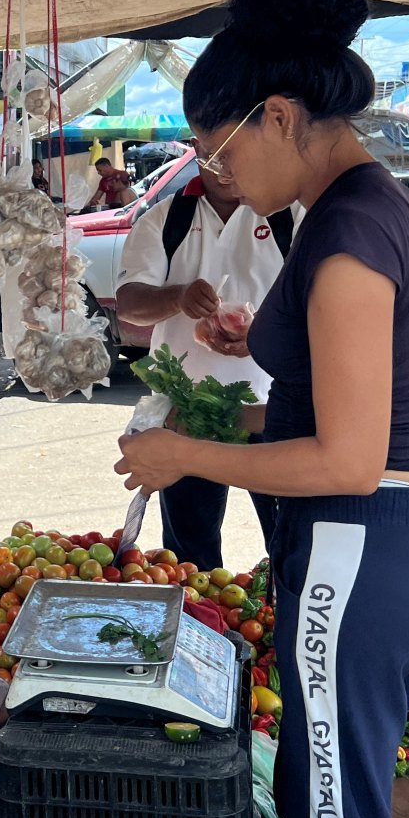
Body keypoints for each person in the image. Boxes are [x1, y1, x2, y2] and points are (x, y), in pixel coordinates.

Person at [113, 0, 409, 818]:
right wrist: (228, 416)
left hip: (366, 544)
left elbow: (352, 457)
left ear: (277, 115)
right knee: (328, 805)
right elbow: (340, 411)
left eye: (217, 152)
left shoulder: (350, 232)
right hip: (390, 539)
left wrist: (184, 453)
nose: (214, 175)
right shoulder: (359, 210)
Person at [116, 156, 297, 568]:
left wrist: (265, 337)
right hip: (188, 413)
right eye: (218, 155)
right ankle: (200, 623)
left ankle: (280, 619)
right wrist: (177, 297)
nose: (230, 168)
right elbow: (129, 303)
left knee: (291, 542)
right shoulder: (166, 218)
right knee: (188, 557)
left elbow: (321, 308)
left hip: (274, 410)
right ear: (197, 148)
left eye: (239, 151)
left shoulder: (289, 216)